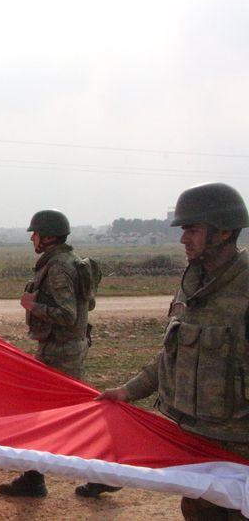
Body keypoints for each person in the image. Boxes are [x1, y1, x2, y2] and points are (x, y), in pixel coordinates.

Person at [98, 182, 249, 520]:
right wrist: (127, 391)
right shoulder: (190, 284)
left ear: (224, 231)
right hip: (191, 442)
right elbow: (170, 355)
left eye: (192, 229)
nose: (183, 239)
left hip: (239, 449)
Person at [0, 210, 120, 499]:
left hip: (60, 352)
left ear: (49, 236)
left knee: (67, 417)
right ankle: (35, 476)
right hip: (64, 348)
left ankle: (102, 473)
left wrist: (32, 305)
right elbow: (86, 306)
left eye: (36, 233)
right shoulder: (68, 262)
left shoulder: (58, 267)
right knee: (50, 415)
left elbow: (69, 314)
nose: (32, 237)